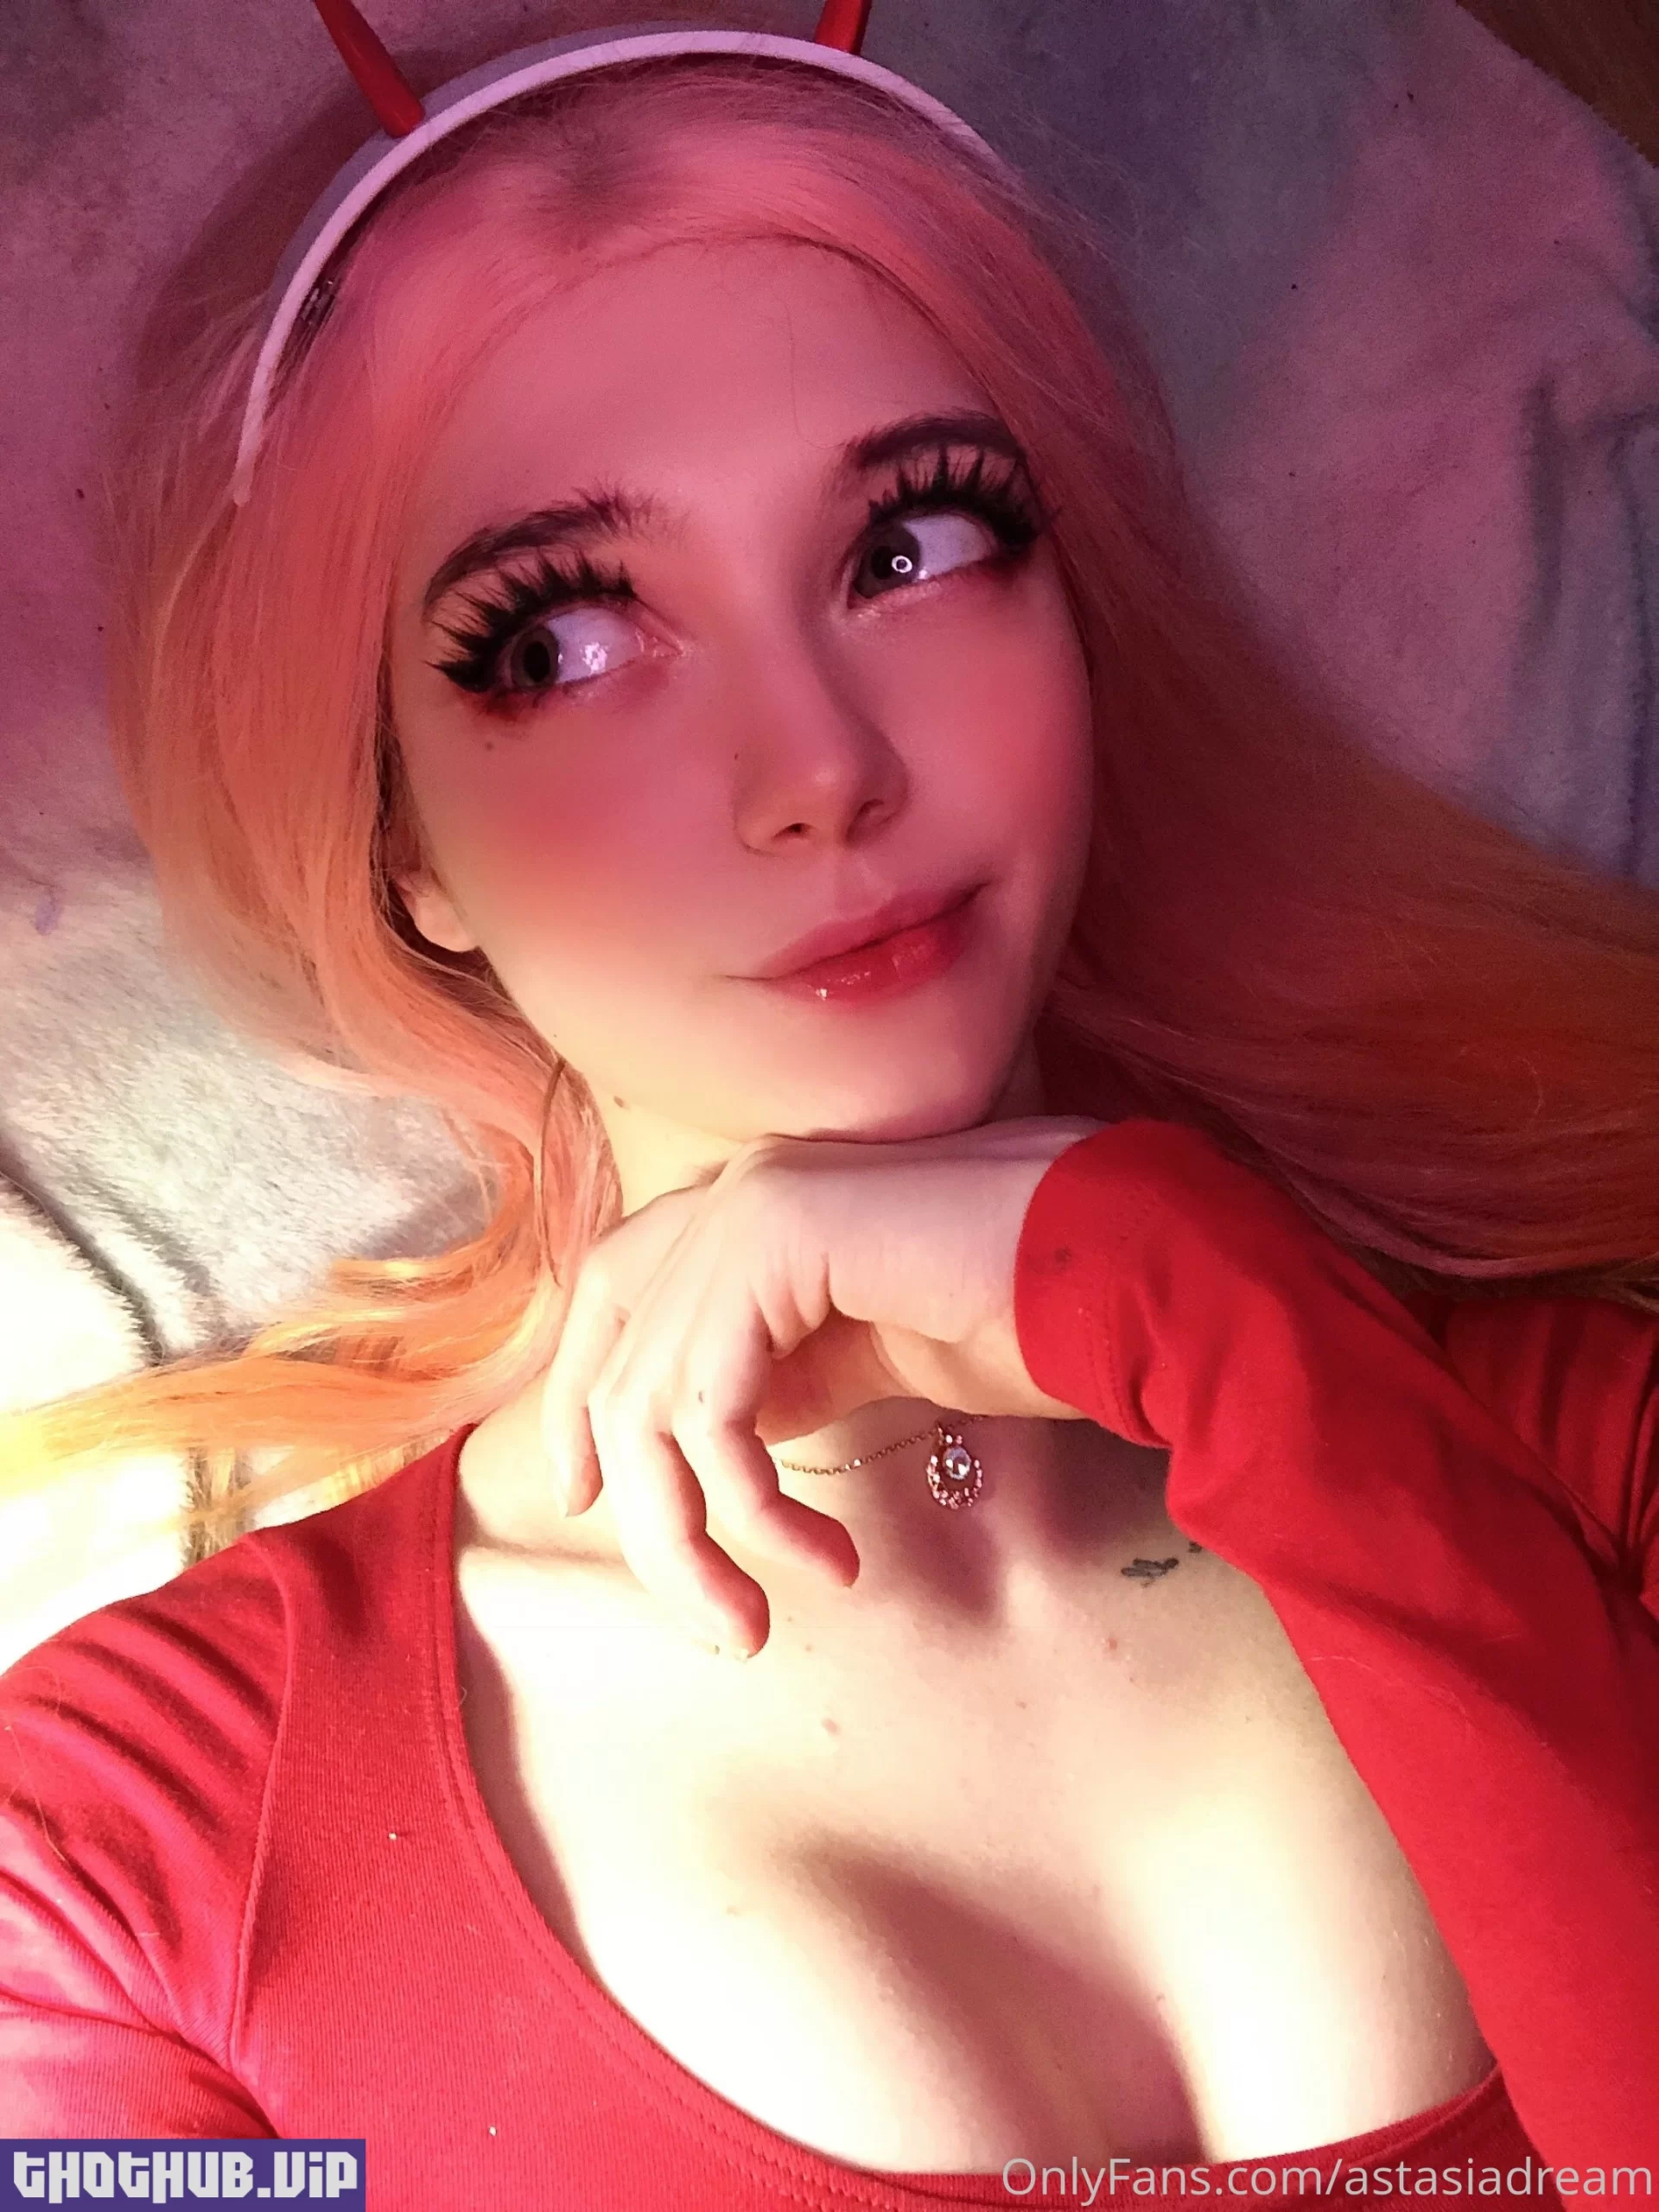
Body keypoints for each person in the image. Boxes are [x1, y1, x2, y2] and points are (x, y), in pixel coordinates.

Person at [2, 20, 1657, 2207]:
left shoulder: (1590, 1452)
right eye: (562, 641)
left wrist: (1194, 1294)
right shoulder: (112, 1876)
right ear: (398, 837)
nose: (821, 765)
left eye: (918, 541)